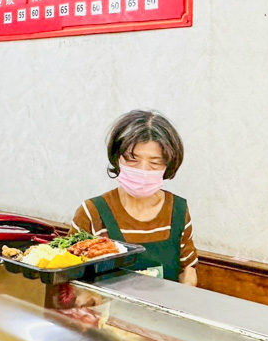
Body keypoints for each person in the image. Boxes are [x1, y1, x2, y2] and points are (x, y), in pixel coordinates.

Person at [72, 110, 197, 285]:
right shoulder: (92, 212)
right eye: (132, 159)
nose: (143, 170)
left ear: (168, 164)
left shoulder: (178, 210)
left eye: (155, 162)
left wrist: (185, 297)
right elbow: (70, 276)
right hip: (109, 311)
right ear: (117, 159)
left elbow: (188, 269)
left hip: (161, 309)